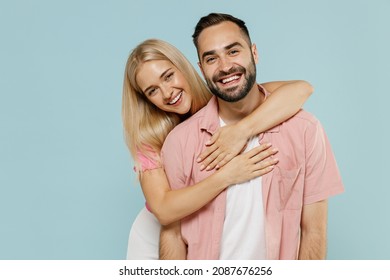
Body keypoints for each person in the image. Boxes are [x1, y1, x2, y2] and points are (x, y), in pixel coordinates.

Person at [161, 13, 344, 260]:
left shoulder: (305, 130)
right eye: (211, 58)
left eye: (233, 51)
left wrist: (241, 132)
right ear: (201, 69)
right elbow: (172, 234)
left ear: (254, 53)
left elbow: (314, 231)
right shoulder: (180, 141)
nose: (225, 66)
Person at [123, 39, 313, 259]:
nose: (167, 93)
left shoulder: (222, 98)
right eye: (152, 91)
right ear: (146, 99)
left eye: (168, 76)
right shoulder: (150, 138)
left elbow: (301, 89)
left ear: (183, 67)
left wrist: (240, 131)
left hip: (203, 230)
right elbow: (164, 210)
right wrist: (228, 176)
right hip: (155, 239)